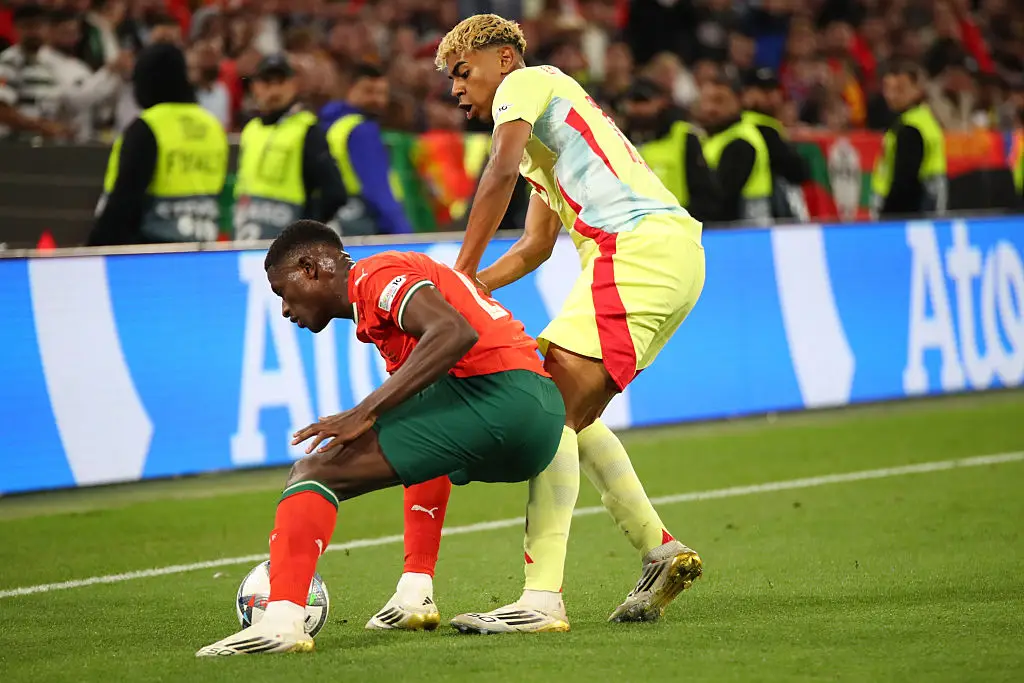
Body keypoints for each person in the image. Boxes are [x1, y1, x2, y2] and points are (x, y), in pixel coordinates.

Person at [405, 13, 705, 634]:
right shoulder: (550, 138)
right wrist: (475, 289)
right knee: (566, 408)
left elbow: (497, 172)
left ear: (503, 58)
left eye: (463, 72)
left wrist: (458, 274)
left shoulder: (526, 83)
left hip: (632, 250)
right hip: (667, 253)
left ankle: (541, 599)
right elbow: (534, 247)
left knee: (547, 412)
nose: (456, 89)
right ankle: (659, 550)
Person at [195, 219, 566, 655]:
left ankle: (282, 621)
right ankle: (414, 591)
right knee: (419, 435)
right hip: (538, 418)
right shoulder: (379, 314)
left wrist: (363, 412)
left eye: (282, 292)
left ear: (310, 268)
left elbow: (453, 331)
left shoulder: (375, 274)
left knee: (313, 472)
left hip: (498, 395)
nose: (284, 309)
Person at [88, 43, 228, 245]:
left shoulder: (149, 126)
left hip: (152, 249)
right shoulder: (212, 126)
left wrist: (93, 249)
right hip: (201, 246)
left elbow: (124, 201)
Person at [233, 54, 346, 241]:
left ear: (293, 85)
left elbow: (335, 193)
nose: (274, 90)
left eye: (281, 82)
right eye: (267, 83)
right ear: (254, 87)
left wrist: (305, 232)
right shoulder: (251, 130)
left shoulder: (307, 129)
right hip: (247, 237)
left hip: (288, 245)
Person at [321, 63, 413, 235]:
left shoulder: (333, 124)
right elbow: (377, 189)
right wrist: (402, 232)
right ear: (349, 89)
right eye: (369, 91)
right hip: (365, 221)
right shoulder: (362, 130)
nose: (377, 100)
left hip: (339, 219)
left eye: (382, 93)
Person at [625, 78, 721, 223]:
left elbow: (703, 189)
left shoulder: (683, 136)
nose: (639, 108)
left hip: (679, 222)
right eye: (633, 102)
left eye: (644, 101)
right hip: (636, 225)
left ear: (661, 102)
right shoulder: (620, 136)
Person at [871, 62, 948, 219]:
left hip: (912, 209)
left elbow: (905, 180)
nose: (892, 96)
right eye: (889, 89)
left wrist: (889, 213)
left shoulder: (911, 127)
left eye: (900, 89)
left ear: (916, 89)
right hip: (929, 201)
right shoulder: (923, 118)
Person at [698, 71, 773, 224]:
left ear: (738, 101)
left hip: (743, 228)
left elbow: (722, 198)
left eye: (719, 101)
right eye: (706, 101)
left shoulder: (741, 141)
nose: (710, 108)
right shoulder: (712, 137)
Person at [741, 67, 810, 221]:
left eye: (774, 90)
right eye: (763, 91)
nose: (771, 97)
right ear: (747, 93)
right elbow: (798, 171)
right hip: (760, 209)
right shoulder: (763, 129)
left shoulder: (770, 126)